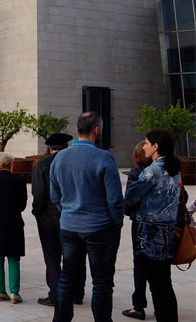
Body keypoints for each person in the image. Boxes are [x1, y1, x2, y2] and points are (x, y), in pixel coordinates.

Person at [50, 111, 124, 322]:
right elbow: (115, 199)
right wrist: (116, 223)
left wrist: (67, 212)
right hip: (99, 227)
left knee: (67, 278)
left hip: (70, 226)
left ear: (77, 129)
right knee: (101, 281)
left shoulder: (60, 157)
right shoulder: (104, 158)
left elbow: (55, 194)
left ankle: (61, 319)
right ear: (97, 130)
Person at [124, 129, 181, 321]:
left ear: (156, 147)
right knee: (165, 282)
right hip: (169, 233)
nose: (144, 146)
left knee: (157, 285)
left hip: (150, 234)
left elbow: (131, 198)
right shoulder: (175, 171)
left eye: (147, 143)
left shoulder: (152, 171)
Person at [31, 133, 85, 307]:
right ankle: (77, 293)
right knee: (76, 257)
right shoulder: (76, 163)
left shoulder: (41, 165)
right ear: (66, 146)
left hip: (48, 219)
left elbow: (38, 194)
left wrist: (37, 212)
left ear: (49, 147)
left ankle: (56, 294)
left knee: (52, 258)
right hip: (73, 217)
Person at [0, 152, 27, 303]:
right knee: (14, 258)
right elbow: (22, 205)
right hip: (14, 222)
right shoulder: (19, 181)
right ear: (11, 164)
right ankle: (15, 292)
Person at [121, 140, 153, 320]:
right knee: (161, 266)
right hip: (161, 225)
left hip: (141, 224)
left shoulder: (136, 173)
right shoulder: (165, 171)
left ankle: (138, 305)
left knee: (140, 265)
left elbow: (129, 201)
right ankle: (163, 305)